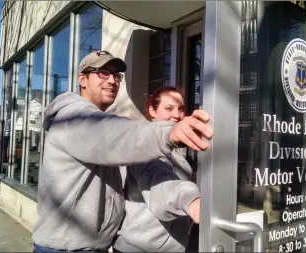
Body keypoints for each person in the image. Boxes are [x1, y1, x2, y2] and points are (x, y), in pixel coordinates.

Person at [32, 50, 213, 252]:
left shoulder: (94, 125)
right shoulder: (74, 118)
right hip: (67, 249)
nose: (112, 80)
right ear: (82, 80)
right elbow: (120, 135)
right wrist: (169, 134)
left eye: (116, 75)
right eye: (103, 73)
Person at [113, 87, 200, 252]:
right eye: (169, 108)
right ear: (152, 110)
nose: (176, 114)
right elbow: (160, 184)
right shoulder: (143, 147)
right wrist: (191, 201)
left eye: (181, 109)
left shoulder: (176, 153)